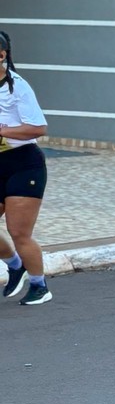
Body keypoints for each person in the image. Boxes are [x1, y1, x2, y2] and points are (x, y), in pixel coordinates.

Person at [0, 29, 51, 304]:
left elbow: (38, 127)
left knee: (19, 232)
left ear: (2, 55)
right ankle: (15, 264)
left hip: (24, 163)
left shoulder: (17, 86)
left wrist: (3, 130)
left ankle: (39, 285)